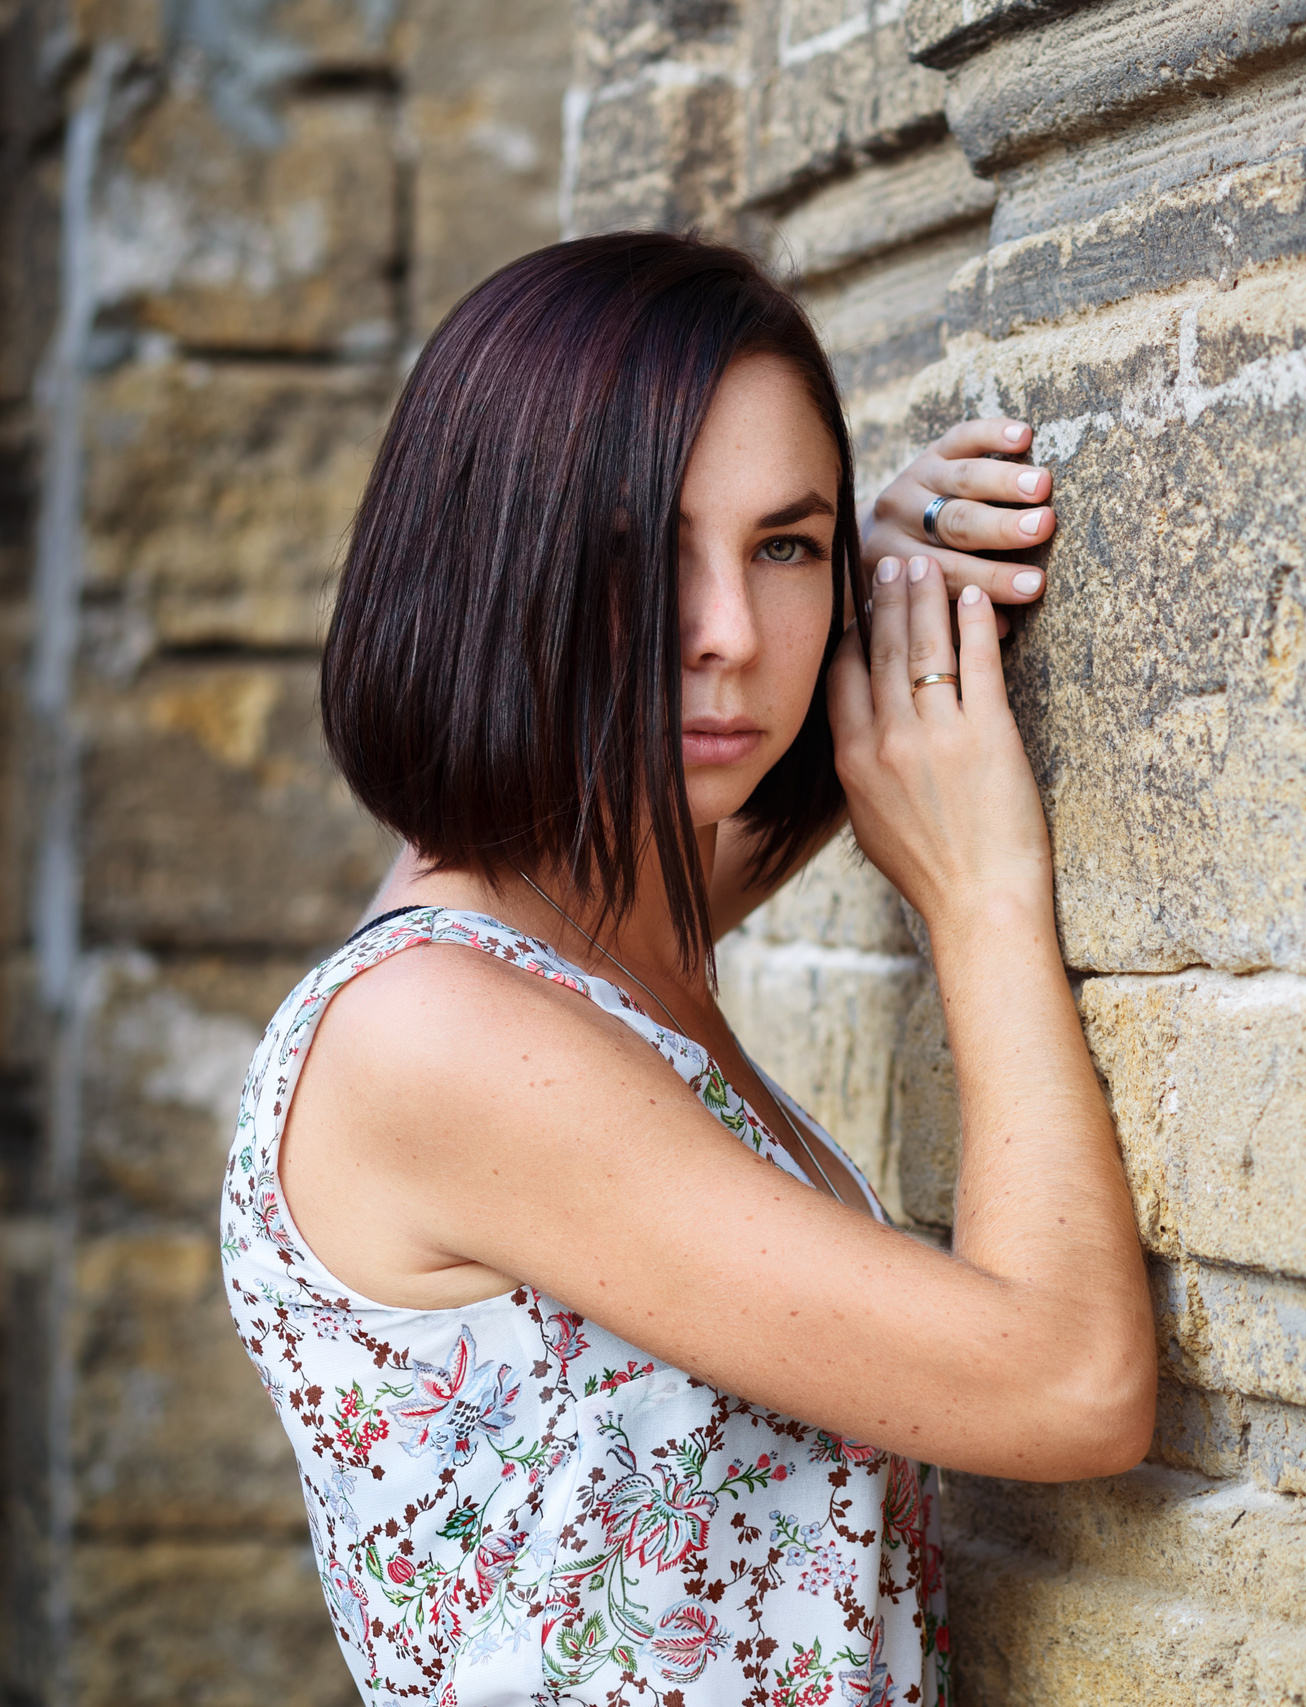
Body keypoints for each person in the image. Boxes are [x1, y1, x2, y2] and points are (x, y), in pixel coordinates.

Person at [218, 231, 1153, 1707]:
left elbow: (673, 891)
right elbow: (1070, 1386)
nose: (727, 636)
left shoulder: (571, 939)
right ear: (484, 563)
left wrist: (862, 605)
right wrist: (978, 893)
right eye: (639, 554)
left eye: (780, 544)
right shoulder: (440, 1040)